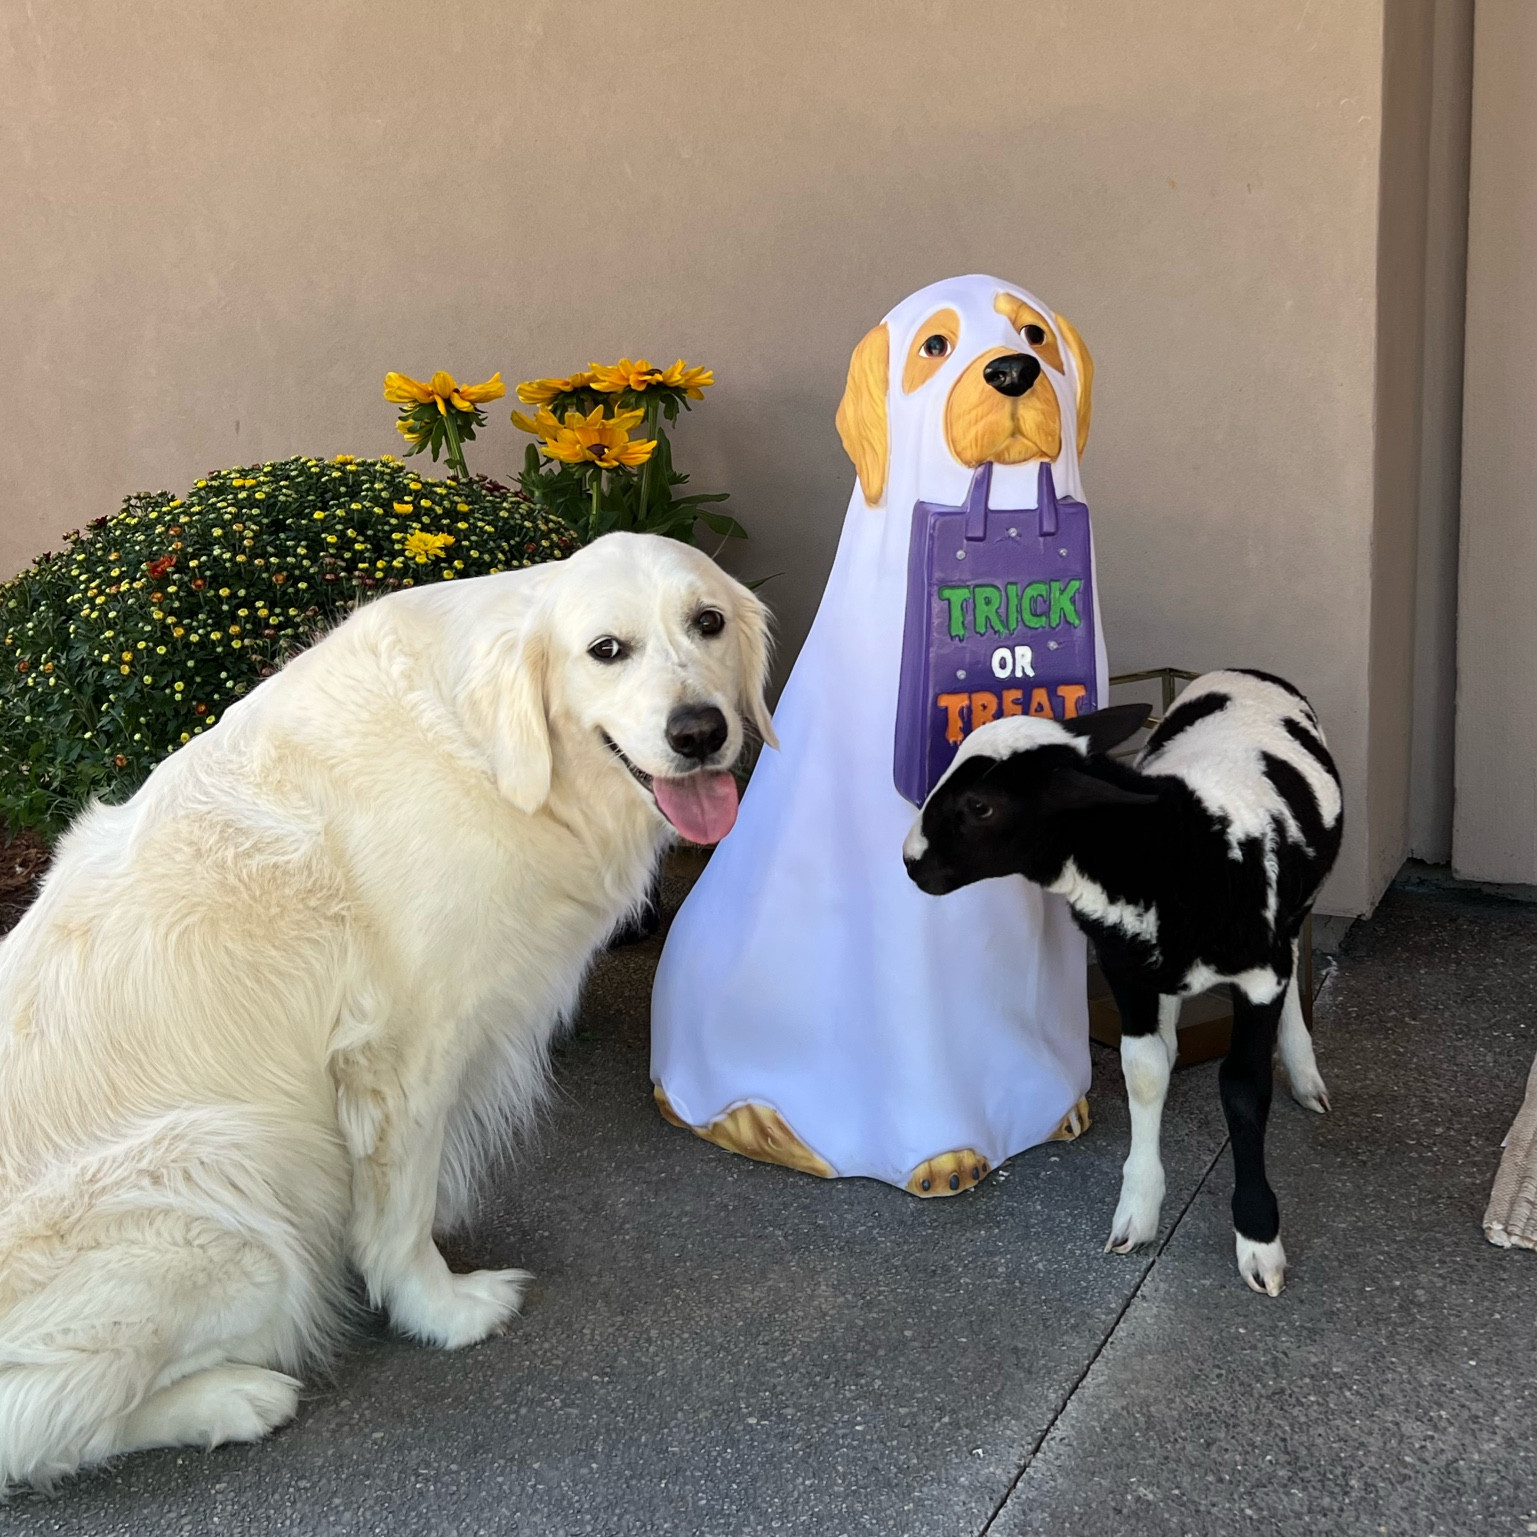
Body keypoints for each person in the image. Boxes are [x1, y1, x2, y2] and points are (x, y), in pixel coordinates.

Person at [650, 274, 1107, 1195]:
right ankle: (909, 1105)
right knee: (905, 861)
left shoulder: (1060, 565)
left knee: (1035, 851)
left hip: (1032, 571)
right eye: (936, 349)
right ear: (881, 411)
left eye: (1032, 340)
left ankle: (1031, 1070)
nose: (1009, 364)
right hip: (821, 961)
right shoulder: (880, 608)